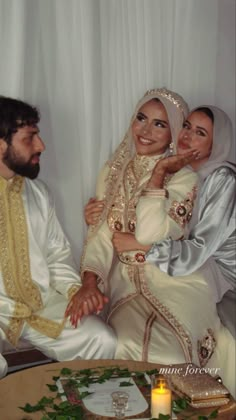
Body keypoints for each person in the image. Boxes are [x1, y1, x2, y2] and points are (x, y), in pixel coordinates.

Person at [85, 104, 235, 396]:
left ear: (215, 144)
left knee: (172, 353)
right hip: (169, 269)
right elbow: (109, 230)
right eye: (187, 126)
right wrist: (97, 216)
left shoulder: (221, 180)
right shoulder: (185, 171)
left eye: (200, 133)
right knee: (131, 342)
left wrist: (142, 246)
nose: (188, 136)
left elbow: (197, 250)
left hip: (212, 270)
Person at [0, 96, 116, 379]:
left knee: (102, 339)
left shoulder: (39, 194)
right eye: (30, 138)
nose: (41, 146)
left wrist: (77, 292)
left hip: (40, 304)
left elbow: (56, 255)